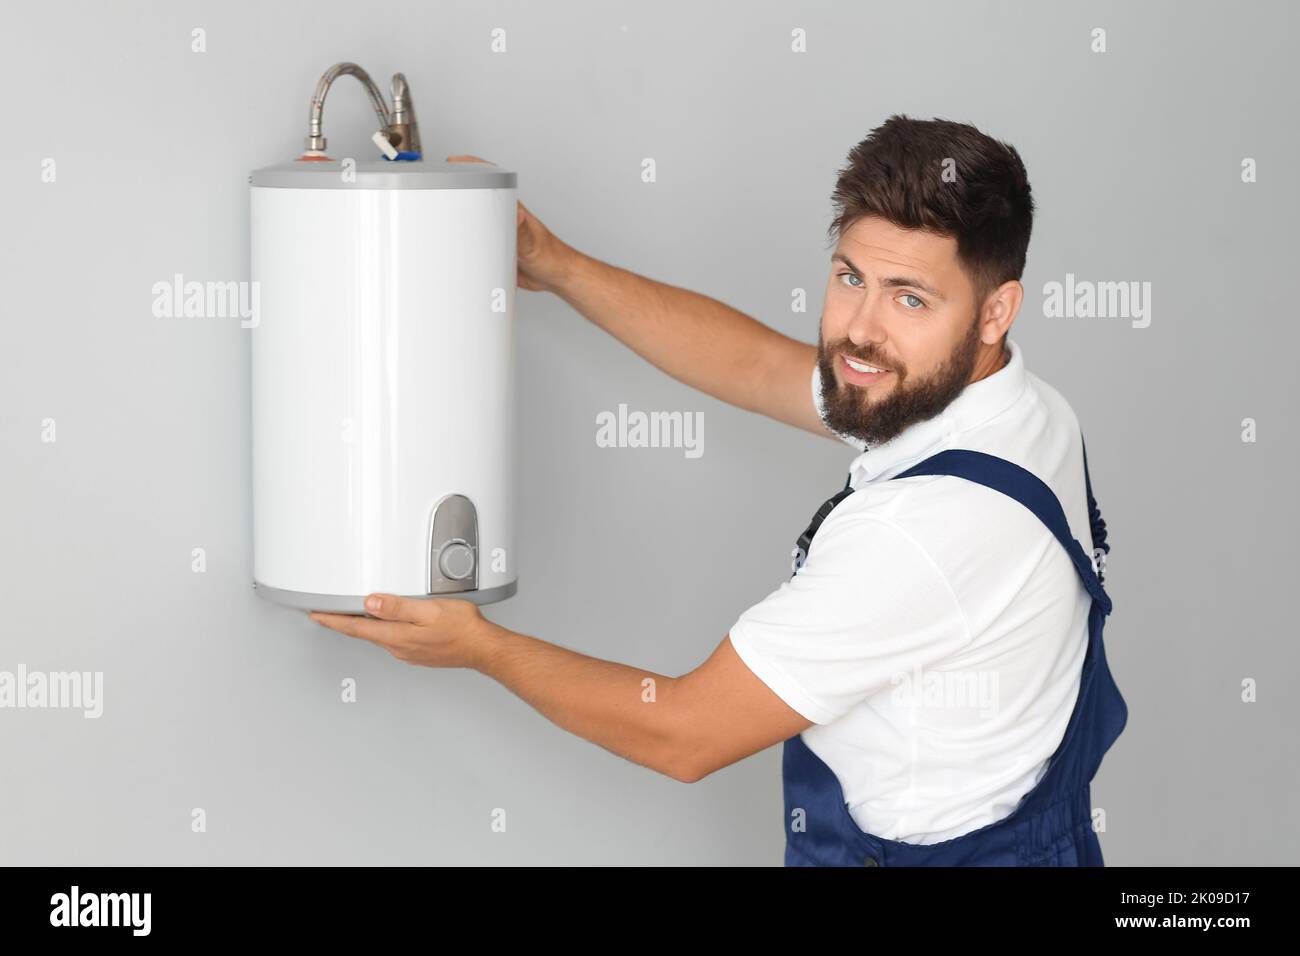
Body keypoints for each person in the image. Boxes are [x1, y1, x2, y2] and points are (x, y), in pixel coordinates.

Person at [310, 114, 1127, 867]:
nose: (860, 330)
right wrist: (555, 265)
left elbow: (683, 732)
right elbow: (759, 367)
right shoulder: (1014, 408)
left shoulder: (920, 534)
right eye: (851, 277)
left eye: (909, 297)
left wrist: (477, 647)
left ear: (996, 312)